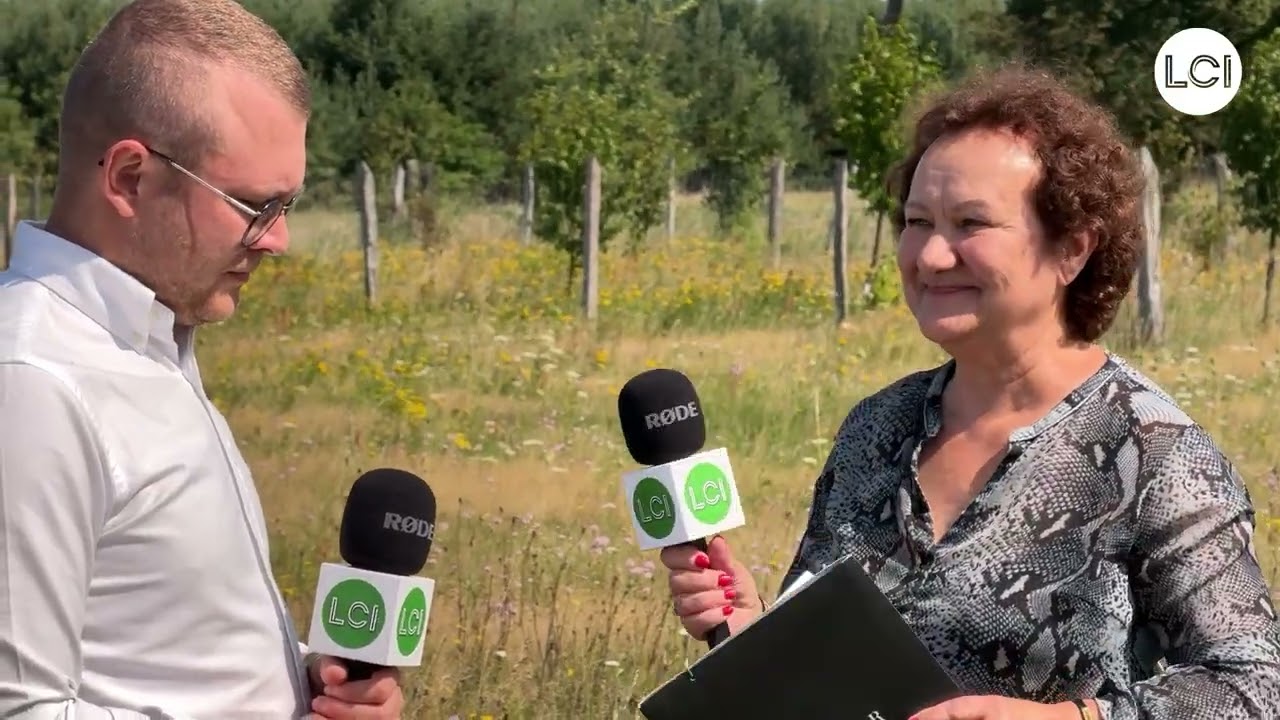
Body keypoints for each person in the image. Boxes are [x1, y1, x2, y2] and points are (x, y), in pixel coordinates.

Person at [661, 64, 1280, 720]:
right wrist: (757, 632)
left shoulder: (1151, 451)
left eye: (970, 223)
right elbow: (833, 669)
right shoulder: (877, 427)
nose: (930, 256)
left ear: (1072, 249)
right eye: (918, 221)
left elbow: (1253, 687)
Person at [0, 1, 403, 718]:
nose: (277, 240)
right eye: (253, 205)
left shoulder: (150, 338)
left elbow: (161, 654)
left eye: (287, 205)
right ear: (129, 177)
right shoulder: (33, 384)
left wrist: (303, 683)